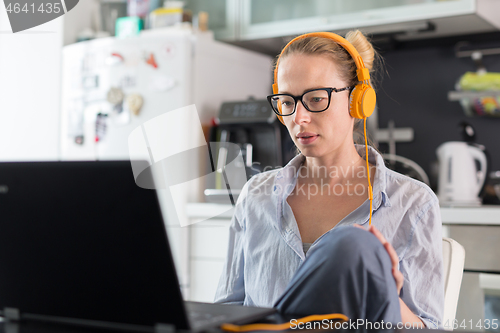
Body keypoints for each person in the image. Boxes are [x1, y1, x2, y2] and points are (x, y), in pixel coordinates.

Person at [214, 30, 444, 329]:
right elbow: (228, 310)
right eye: (286, 102)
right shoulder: (255, 196)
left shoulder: (413, 203)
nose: (299, 118)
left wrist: (386, 295)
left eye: (316, 99)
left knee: (352, 246)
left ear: (357, 100)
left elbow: (431, 327)